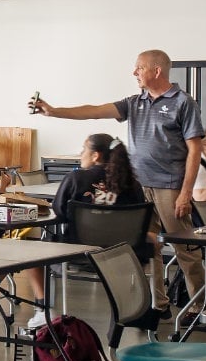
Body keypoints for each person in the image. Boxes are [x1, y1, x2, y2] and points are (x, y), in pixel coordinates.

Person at [29, 49, 205, 319]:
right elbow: (94, 111)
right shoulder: (134, 102)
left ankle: (199, 306)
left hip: (169, 186)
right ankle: (159, 305)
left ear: (156, 70)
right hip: (138, 188)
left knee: (185, 249)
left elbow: (195, 150)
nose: (134, 73)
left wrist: (185, 193)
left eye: (139, 68)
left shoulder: (183, 103)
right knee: (150, 248)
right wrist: (53, 112)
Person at [24, 133, 148, 329]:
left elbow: (59, 211)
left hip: (78, 254)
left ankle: (43, 310)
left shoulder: (76, 178)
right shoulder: (133, 185)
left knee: (31, 253)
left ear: (96, 155)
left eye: (84, 149)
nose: (81, 154)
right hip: (123, 256)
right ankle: (140, 310)